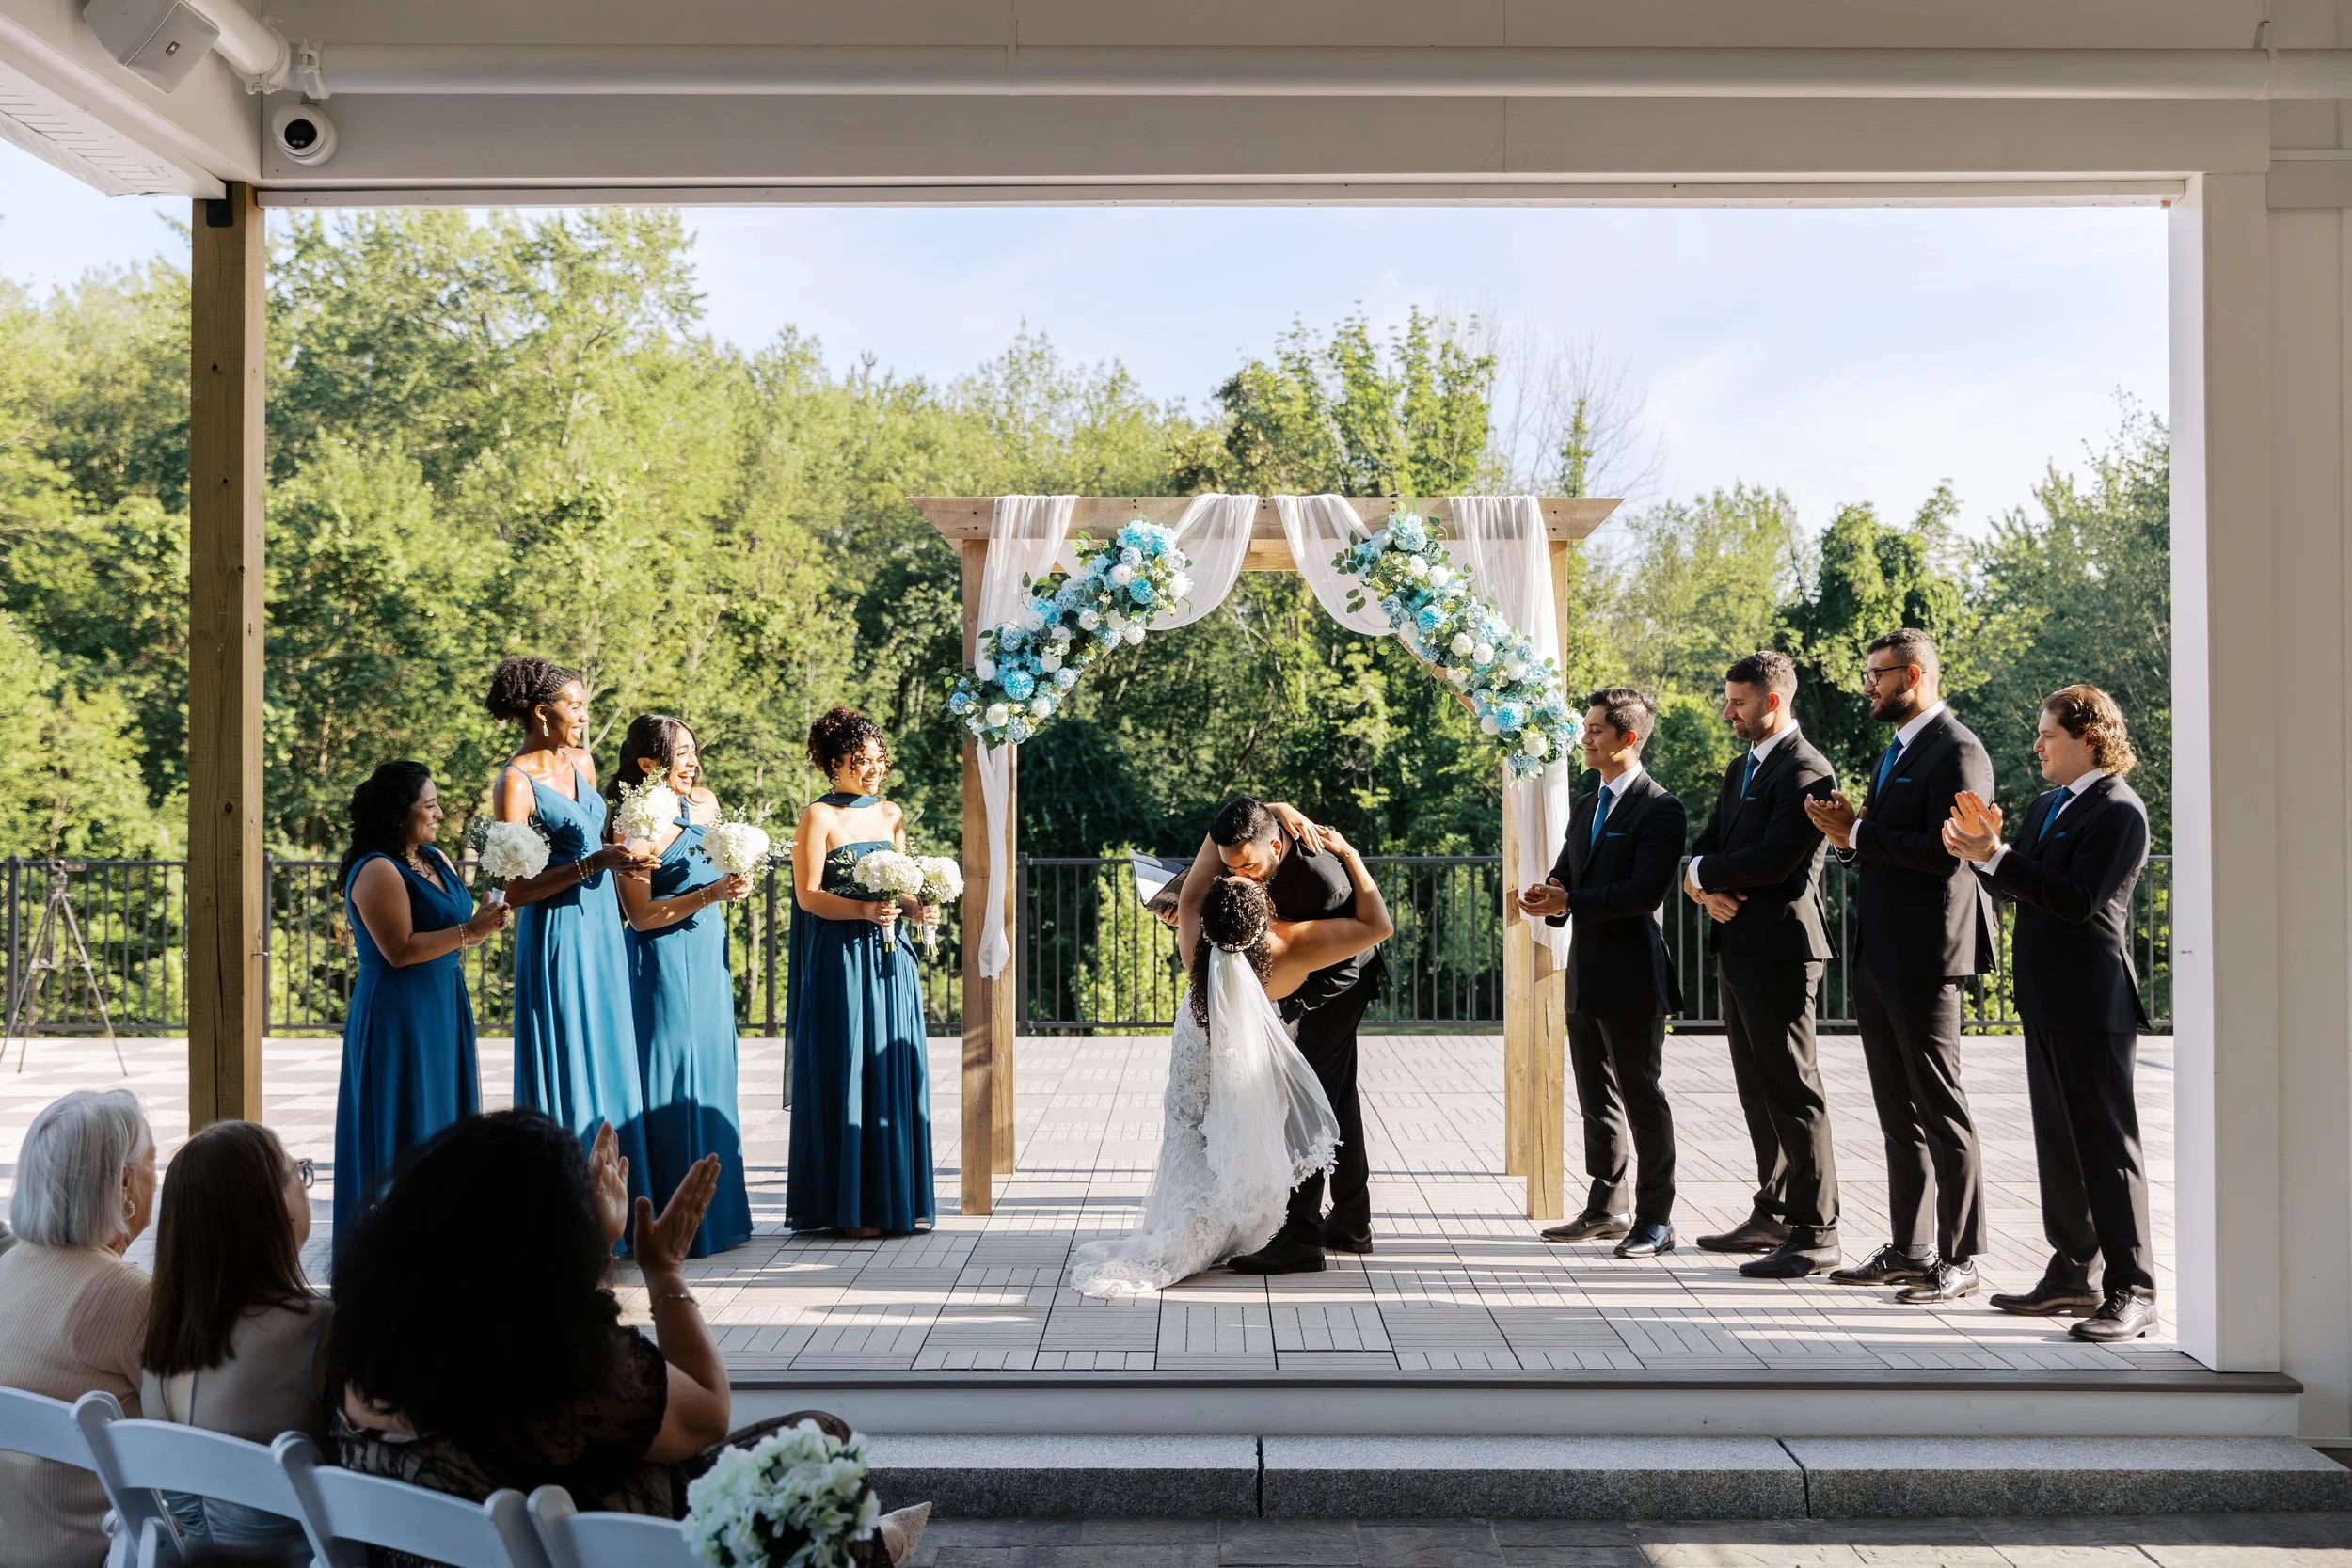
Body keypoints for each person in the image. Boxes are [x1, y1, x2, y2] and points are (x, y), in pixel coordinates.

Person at [333, 1112, 730, 1529]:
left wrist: (594, 1245)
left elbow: (517, 1300)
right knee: (804, 1439)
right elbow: (709, 1412)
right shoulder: (563, 1372)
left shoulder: (362, 1337)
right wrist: (664, 1268)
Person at [1068, 832, 1391, 1295]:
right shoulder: (1291, 949)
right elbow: (1378, 925)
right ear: (1266, 917)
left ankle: (1316, 1225)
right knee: (1320, 1096)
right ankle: (1326, 1224)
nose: (1240, 876)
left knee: (1198, 1125)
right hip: (1250, 1036)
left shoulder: (1194, 941)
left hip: (1200, 1047)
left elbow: (1198, 889)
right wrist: (1331, 841)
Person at [1945, 685, 2156, 1342]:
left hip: (2093, 1003)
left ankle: (2134, 1287)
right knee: (2060, 1144)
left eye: (2047, 735)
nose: (2037, 744)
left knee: (2106, 1147)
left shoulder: (2121, 811)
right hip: (2044, 998)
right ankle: (2072, 1273)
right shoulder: (2044, 805)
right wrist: (1979, 855)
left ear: (2088, 738)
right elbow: (2017, 882)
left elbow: (2075, 899)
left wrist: (1997, 855)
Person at [1804, 628, 1997, 1304]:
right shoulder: (1900, 747)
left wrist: (1858, 833)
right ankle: (1911, 1248)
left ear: (1912, 675)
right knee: (1897, 1111)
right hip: (1881, 951)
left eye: (1876, 675)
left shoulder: (1959, 750)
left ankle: (1962, 1255)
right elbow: (1886, 847)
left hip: (1928, 954)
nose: (1869, 687)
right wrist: (1848, 840)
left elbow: (1948, 853)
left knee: (1942, 1108)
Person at [1680, 651, 1845, 1278]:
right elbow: (1707, 847)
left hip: (1782, 948)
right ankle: (1773, 1209)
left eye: (1738, 701)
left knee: (1793, 1090)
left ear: (1772, 701)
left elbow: (1776, 860)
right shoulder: (1738, 768)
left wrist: (1704, 874)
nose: (1728, 711)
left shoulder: (1809, 771)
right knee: (1757, 1090)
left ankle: (1816, 1230)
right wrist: (1700, 883)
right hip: (1738, 945)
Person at [1176, 797, 1389, 1275]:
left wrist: (1286, 1007)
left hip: (1336, 986)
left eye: (1250, 866)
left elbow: (1354, 956)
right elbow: (1248, 809)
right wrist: (1280, 805)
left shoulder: (1322, 879)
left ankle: (1301, 1237)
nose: (1243, 877)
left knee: (1305, 1098)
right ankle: (1353, 1222)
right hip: (1295, 972)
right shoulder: (1250, 836)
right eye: (1233, 869)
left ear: (1276, 845)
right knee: (1336, 1097)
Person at [1519, 689, 1686, 1259]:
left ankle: (1656, 1220)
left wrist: (1572, 899)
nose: (1585, 738)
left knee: (1642, 1095)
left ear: (1628, 738)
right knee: (1597, 1097)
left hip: (1634, 975)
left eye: (1594, 730)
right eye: (1585, 728)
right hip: (1585, 971)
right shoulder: (1588, 806)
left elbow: (1643, 893)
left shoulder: (1661, 808)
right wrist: (1548, 896)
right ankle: (1604, 1209)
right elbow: (1569, 877)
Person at [486, 656, 657, 1213]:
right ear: (542, 711)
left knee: (608, 1047)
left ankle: (617, 1202)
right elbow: (516, 890)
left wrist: (623, 859)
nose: (584, 716)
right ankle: (567, 1210)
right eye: (574, 706)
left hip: (602, 925)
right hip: (558, 932)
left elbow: (596, 840)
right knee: (569, 1050)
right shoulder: (515, 783)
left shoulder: (582, 761)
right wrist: (594, 864)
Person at [333, 761, 510, 1243]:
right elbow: (400, 949)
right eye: (428, 805)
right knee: (402, 1122)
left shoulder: (436, 858)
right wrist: (468, 932)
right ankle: (391, 1247)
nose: (438, 813)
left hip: (443, 1003)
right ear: (397, 813)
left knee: (445, 1127)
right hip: (397, 1011)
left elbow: (457, 933)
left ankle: (444, 1239)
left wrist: (483, 923)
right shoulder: (376, 869)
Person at [141, 1120, 329, 1557]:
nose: (305, 1187)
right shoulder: (317, 1332)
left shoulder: (162, 1338)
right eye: (298, 1173)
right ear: (274, 1208)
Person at [786, 707, 935, 1237]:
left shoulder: (891, 814)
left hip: (891, 958)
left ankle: (892, 1199)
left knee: (890, 1068)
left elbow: (902, 883)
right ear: (834, 763)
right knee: (849, 1068)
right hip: (842, 957)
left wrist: (920, 907)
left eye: (878, 759)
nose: (872, 769)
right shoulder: (818, 818)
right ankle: (847, 1207)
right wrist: (864, 911)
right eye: (860, 760)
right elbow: (808, 897)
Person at [613, 714, 755, 1258]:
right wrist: (709, 896)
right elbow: (641, 915)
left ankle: (716, 1215)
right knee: (670, 1074)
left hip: (708, 953)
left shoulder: (709, 804)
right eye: (681, 752)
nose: (693, 761)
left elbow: (713, 867)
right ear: (650, 763)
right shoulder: (635, 819)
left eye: (695, 750)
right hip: (662, 959)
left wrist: (733, 880)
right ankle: (666, 1220)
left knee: (714, 1071)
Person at [0, 1089, 154, 1568]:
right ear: (125, 1183)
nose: (157, 1176)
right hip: (100, 1553)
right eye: (154, 1161)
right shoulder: (131, 1297)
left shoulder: (8, 1267)